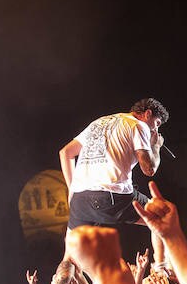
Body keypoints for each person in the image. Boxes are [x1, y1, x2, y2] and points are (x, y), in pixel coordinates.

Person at [59, 97, 168, 229]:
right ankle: (161, 251)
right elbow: (149, 169)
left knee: (74, 247)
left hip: (80, 199)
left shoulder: (99, 122)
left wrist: (73, 191)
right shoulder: (139, 126)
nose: (155, 130)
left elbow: (65, 153)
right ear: (148, 114)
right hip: (112, 196)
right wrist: (155, 146)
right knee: (162, 219)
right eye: (156, 124)